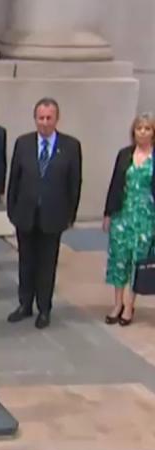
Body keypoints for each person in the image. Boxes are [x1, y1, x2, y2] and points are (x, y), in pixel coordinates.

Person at [6, 98, 82, 329]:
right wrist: (12, 210)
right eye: (41, 118)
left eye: (49, 118)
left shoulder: (70, 146)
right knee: (26, 261)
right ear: (35, 118)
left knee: (47, 264)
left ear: (56, 119)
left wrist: (70, 215)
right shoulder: (24, 143)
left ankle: (44, 308)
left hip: (53, 216)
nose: (45, 122)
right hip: (25, 215)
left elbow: (74, 183)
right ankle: (25, 304)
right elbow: (14, 180)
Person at [103, 113, 155, 326]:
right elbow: (115, 183)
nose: (142, 132)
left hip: (146, 216)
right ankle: (117, 303)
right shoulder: (124, 154)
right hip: (122, 214)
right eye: (139, 128)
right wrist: (107, 214)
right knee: (119, 259)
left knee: (138, 260)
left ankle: (130, 305)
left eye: (147, 128)